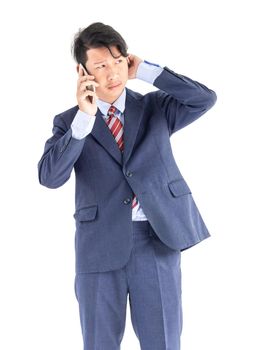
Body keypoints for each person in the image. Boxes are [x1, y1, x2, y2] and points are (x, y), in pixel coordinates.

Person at [38, 22, 217, 350]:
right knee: (99, 342)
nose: (112, 73)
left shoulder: (155, 108)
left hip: (156, 238)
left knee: (163, 341)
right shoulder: (69, 122)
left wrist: (147, 71)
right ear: (83, 71)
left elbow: (204, 99)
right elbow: (50, 177)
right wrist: (84, 117)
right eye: (101, 65)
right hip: (98, 246)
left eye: (118, 61)